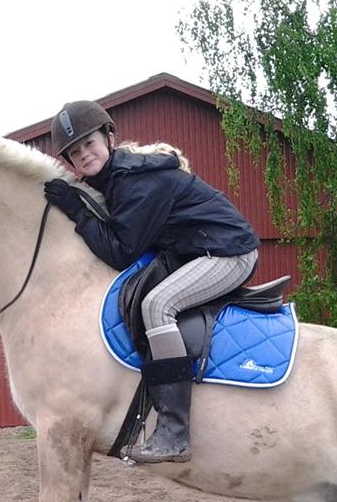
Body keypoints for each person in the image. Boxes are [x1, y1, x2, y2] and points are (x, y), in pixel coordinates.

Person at [43, 100, 260, 464]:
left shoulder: (134, 182)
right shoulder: (116, 179)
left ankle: (174, 433)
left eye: (89, 144)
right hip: (198, 250)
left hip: (228, 252)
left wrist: (77, 211)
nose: (84, 154)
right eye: (75, 152)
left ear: (109, 137)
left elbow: (121, 251)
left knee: (157, 306)